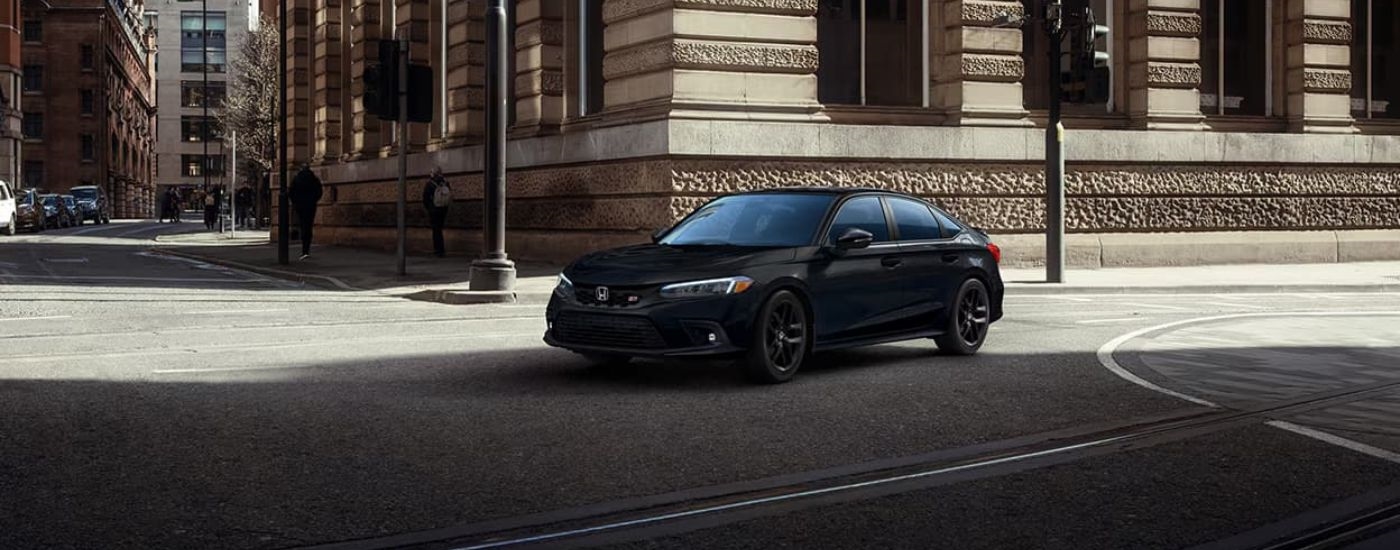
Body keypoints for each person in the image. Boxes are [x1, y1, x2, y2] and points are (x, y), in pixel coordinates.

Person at [289, 164, 323, 260]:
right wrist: (313, 200)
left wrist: (296, 202)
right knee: (308, 226)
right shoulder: (314, 179)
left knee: (302, 224)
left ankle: (304, 249)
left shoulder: (297, 179)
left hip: (300, 206)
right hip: (310, 205)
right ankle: (306, 249)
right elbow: (319, 191)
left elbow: (291, 192)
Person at [421, 167, 451, 257]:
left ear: (433, 173)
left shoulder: (430, 184)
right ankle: (441, 250)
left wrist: (429, 208)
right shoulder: (445, 182)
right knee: (439, 228)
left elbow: (425, 198)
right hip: (443, 208)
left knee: (436, 230)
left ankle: (438, 250)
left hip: (434, 209)